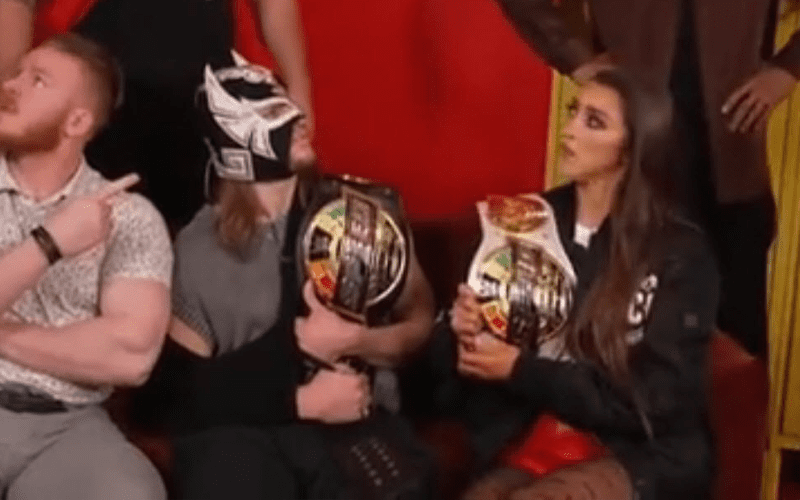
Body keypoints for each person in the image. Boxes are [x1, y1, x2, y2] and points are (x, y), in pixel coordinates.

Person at [162, 58, 436, 499]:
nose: (301, 120)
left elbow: (420, 322)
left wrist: (356, 342)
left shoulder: (360, 214)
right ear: (234, 137)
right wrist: (300, 400)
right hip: (250, 437)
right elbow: (186, 393)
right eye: (277, 114)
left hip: (354, 430)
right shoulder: (197, 249)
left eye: (291, 107)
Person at [443, 69, 719, 500]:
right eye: (574, 112)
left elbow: (656, 400)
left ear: (632, 149)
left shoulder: (678, 252)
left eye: (594, 122)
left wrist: (521, 369)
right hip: (535, 436)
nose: (569, 129)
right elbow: (455, 376)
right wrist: (468, 332)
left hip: (638, 451)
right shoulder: (526, 223)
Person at [494, 0, 800, 357]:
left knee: (736, 357)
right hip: (633, 175)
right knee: (623, 350)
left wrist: (787, 69)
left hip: (732, 171)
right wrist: (577, 57)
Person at [0, 33, 171, 499]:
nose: (10, 86)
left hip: (68, 427)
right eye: (17, 74)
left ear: (77, 121)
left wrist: (6, 336)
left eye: (38, 80)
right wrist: (49, 243)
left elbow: (131, 357)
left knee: (131, 492)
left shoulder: (128, 215)